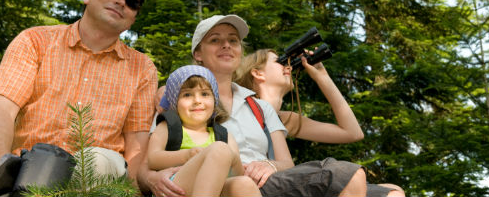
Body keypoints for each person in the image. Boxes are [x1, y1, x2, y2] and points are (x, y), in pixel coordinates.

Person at [146, 15, 368, 196]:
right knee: (341, 174)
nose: (226, 45)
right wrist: (153, 178)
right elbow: (146, 165)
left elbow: (288, 162)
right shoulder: (182, 101)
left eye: (233, 40)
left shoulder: (261, 107)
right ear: (197, 53)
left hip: (266, 182)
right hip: (226, 184)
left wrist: (269, 165)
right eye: (215, 40)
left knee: (391, 192)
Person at [0, 0, 154, 185]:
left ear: (134, 17)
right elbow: (2, 107)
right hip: (25, 171)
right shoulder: (35, 41)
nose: (121, 1)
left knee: (97, 161)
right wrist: (1, 166)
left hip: (97, 183)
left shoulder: (143, 68)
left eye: (132, 2)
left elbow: (136, 143)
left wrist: (128, 192)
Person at [235, 49, 406, 197]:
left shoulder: (285, 119)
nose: (288, 66)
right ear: (258, 73)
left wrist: (322, 77)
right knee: (344, 174)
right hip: (260, 184)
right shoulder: (240, 109)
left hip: (285, 180)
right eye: (280, 62)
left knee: (393, 192)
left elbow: (353, 133)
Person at [146, 65, 260, 196]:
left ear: (215, 99)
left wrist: (232, 159)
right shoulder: (169, 127)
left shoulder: (224, 135)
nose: (197, 101)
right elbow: (153, 159)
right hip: (175, 186)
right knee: (220, 149)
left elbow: (237, 174)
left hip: (214, 188)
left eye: (205, 94)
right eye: (187, 95)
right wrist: (186, 155)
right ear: (174, 101)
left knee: (244, 183)